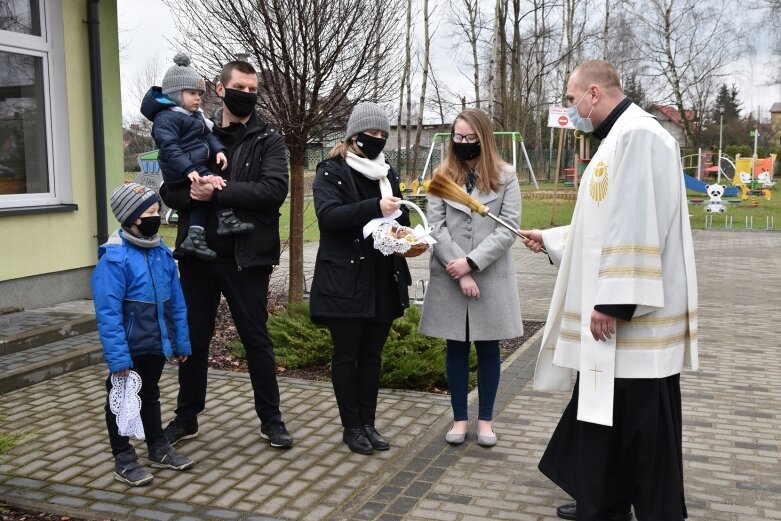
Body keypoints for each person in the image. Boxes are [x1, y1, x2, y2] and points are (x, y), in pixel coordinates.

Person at [519, 60, 698, 521]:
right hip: (619, 324)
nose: (570, 108)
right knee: (609, 421)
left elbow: (638, 221)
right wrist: (555, 239)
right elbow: (604, 222)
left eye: (571, 98)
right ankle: (602, 501)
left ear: (593, 93)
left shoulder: (637, 135)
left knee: (644, 432)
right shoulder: (619, 139)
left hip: (632, 323)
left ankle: (649, 510)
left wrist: (614, 302)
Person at [160, 60, 293, 449]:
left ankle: (272, 420)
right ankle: (187, 418)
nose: (246, 94)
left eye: (253, 89)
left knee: (256, 340)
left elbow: (273, 190)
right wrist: (193, 193)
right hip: (197, 256)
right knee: (194, 340)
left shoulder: (269, 137)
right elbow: (170, 190)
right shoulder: (194, 127)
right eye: (239, 87)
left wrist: (217, 191)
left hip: (247, 258)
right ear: (220, 89)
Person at [309, 102, 412, 455]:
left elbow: (401, 221)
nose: (378, 140)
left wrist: (409, 239)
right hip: (346, 280)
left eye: (384, 135)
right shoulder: (331, 171)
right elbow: (329, 218)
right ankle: (351, 426)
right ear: (354, 135)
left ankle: (369, 423)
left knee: (372, 356)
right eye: (372, 134)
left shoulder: (387, 173)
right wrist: (373, 208)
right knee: (347, 355)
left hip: (383, 277)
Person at [419, 108, 523, 448]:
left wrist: (473, 264)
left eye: (470, 138)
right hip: (451, 275)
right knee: (456, 348)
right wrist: (458, 268)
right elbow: (435, 227)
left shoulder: (507, 176)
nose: (463, 143)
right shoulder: (442, 175)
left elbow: (508, 229)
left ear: (484, 138)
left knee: (489, 348)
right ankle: (460, 419)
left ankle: (486, 421)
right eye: (458, 137)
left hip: (489, 274)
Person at [92, 183, 194, 486]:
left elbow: (176, 302)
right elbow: (108, 314)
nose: (158, 215)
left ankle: (157, 447)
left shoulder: (162, 253)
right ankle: (123, 459)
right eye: (151, 212)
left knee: (150, 394)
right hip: (128, 347)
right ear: (133, 217)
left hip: (155, 343)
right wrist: (118, 357)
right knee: (121, 400)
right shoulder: (114, 258)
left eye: (157, 210)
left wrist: (180, 341)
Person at [141, 53, 254, 262]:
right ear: (176, 94)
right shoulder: (166, 118)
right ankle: (225, 217)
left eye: (199, 94)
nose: (198, 98)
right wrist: (188, 169)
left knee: (209, 190)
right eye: (192, 93)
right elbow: (169, 148)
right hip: (179, 168)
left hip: (193, 164)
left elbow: (207, 135)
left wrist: (219, 150)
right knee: (214, 182)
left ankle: (196, 234)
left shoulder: (195, 117)